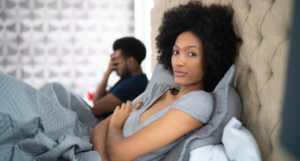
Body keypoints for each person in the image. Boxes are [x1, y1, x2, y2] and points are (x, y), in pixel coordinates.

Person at [91, 1, 240, 161]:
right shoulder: (158, 90)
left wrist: (115, 126)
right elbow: (98, 129)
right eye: (176, 51)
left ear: (211, 59)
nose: (178, 61)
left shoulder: (199, 102)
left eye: (191, 54)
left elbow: (120, 154)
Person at [92, 37, 148, 117]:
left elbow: (96, 110)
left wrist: (107, 73)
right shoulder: (129, 79)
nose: (114, 66)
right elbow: (98, 101)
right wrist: (107, 73)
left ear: (131, 61)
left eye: (117, 62)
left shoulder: (133, 83)